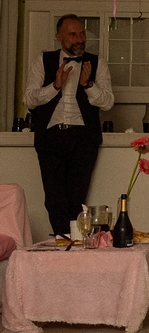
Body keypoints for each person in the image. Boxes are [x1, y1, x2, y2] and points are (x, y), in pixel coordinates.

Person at [23, 14, 115, 236]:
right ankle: (64, 242)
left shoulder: (97, 63)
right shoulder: (42, 61)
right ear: (59, 37)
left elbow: (108, 103)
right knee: (54, 200)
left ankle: (74, 248)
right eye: (72, 34)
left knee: (76, 199)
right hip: (50, 138)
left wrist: (88, 85)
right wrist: (54, 86)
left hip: (84, 139)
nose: (79, 39)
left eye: (82, 33)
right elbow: (28, 99)